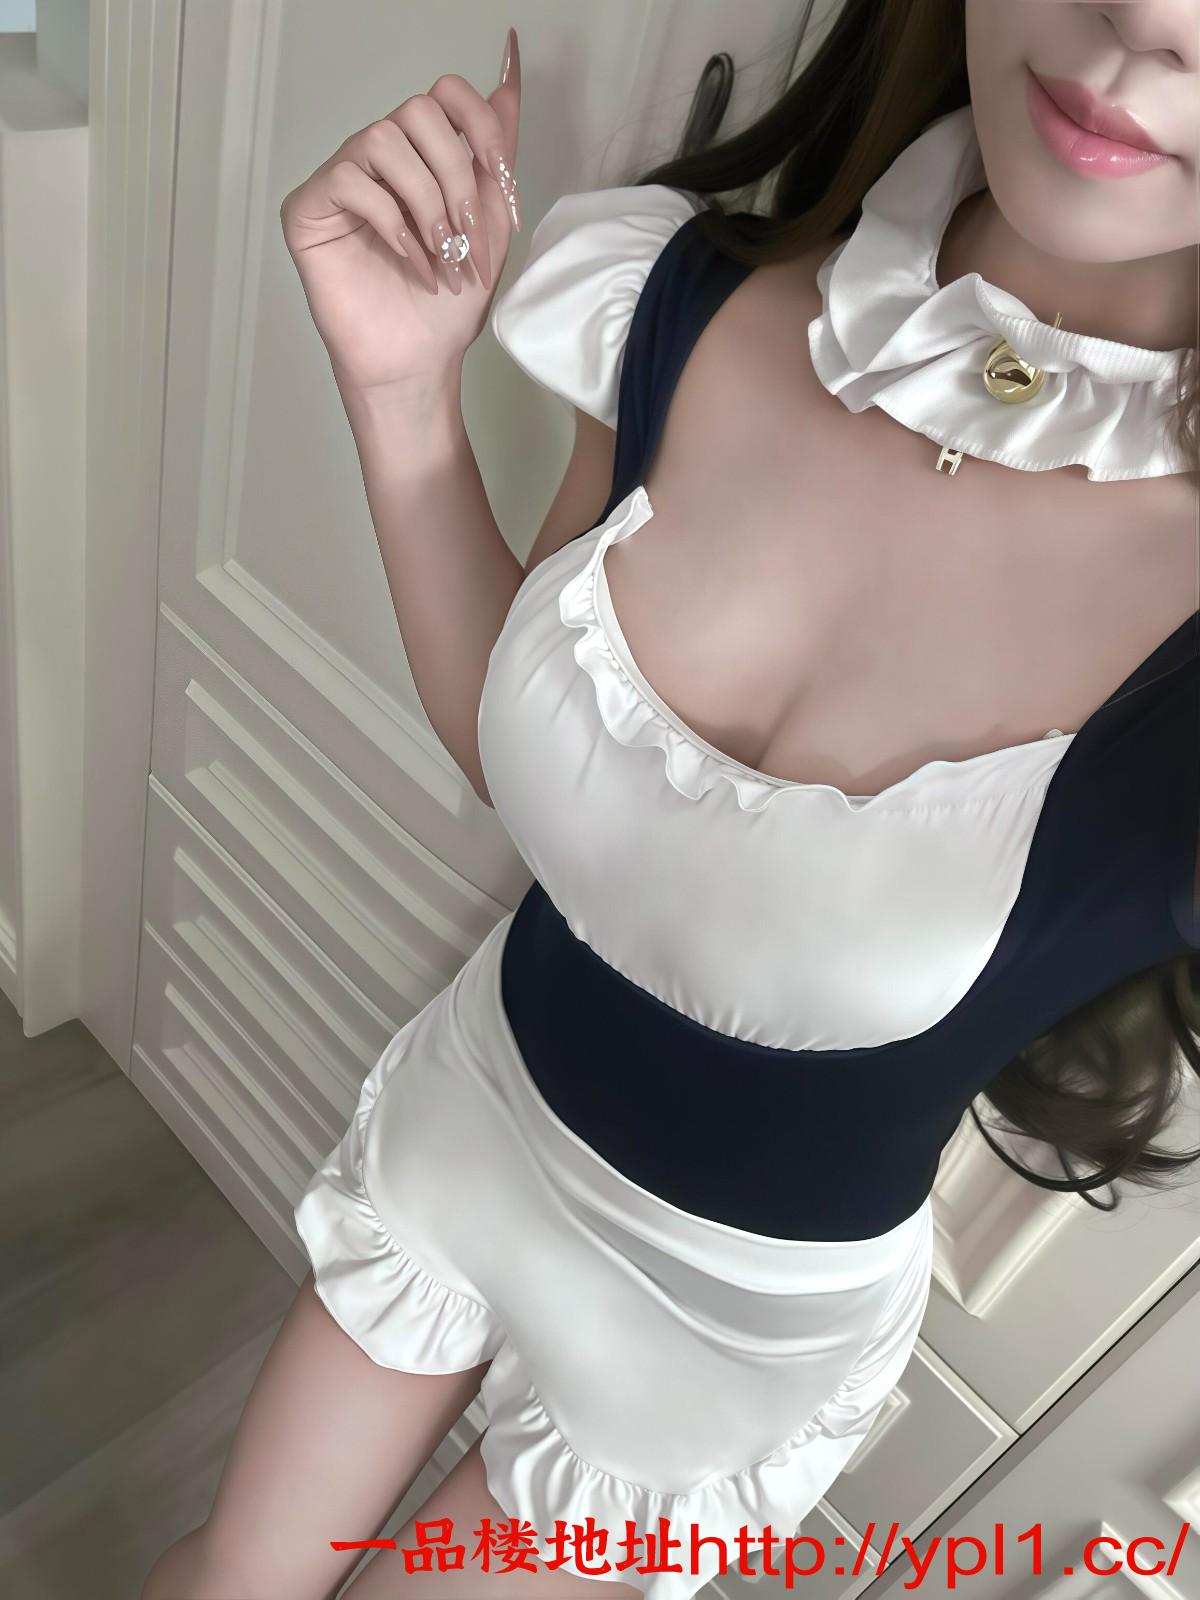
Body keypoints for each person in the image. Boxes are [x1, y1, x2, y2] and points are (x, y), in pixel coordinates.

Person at [142, 4, 1200, 1597]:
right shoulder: (680, 294)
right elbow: (523, 758)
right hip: (473, 1115)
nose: (1148, 19)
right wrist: (403, 393)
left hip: (714, 1345)